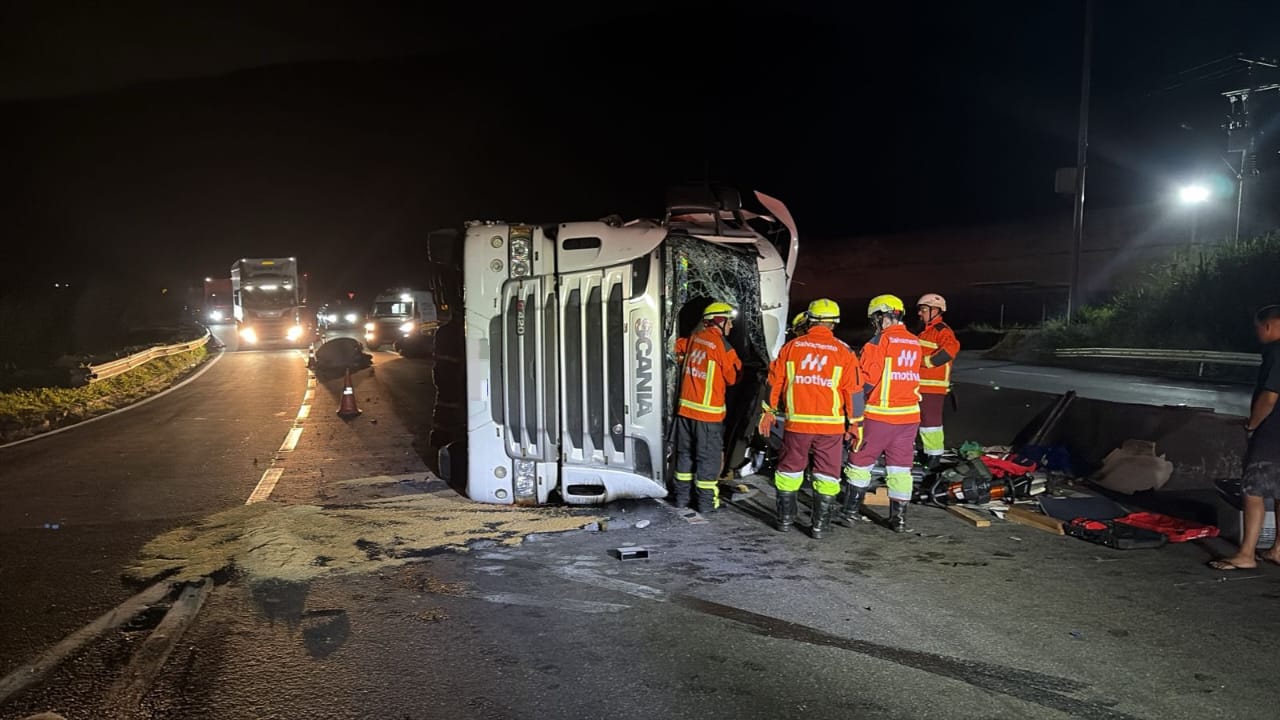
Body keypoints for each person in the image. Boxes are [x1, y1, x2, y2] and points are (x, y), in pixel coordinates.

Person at [758, 299, 863, 538]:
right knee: (827, 475)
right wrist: (855, 424)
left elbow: (774, 382)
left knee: (789, 471)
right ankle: (819, 527)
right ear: (833, 324)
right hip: (832, 428)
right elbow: (854, 392)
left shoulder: (792, 347)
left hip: (798, 425)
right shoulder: (845, 352)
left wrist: (768, 411)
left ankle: (784, 521)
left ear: (809, 320)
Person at [844, 294, 923, 533]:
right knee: (900, 468)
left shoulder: (878, 343)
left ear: (882, 317)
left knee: (860, 461)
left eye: (874, 319)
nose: (874, 325)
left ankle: (849, 513)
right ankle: (898, 520)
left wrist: (852, 404)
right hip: (909, 417)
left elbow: (867, 381)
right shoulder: (914, 342)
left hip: (880, 414)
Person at [1210, 304, 1280, 570]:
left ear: (1269, 325)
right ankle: (1278, 549)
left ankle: (1246, 554)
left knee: (1253, 491)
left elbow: (1270, 396)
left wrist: (1252, 424)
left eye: (1257, 328)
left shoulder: (1276, 351)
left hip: (1273, 433)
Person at [673, 302, 742, 514]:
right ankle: (705, 503)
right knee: (708, 459)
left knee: (684, 455)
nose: (730, 325)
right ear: (719, 321)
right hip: (708, 416)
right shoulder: (723, 347)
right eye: (728, 321)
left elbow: (677, 346)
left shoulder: (694, 339)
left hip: (684, 412)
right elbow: (733, 377)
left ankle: (681, 499)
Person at [916, 293, 961, 467]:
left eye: (924, 310)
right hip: (920, 386)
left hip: (932, 387)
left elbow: (951, 349)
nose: (920, 313)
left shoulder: (942, 330)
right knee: (921, 422)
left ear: (936, 310)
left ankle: (934, 457)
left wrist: (925, 363)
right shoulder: (926, 332)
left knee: (931, 424)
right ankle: (926, 453)